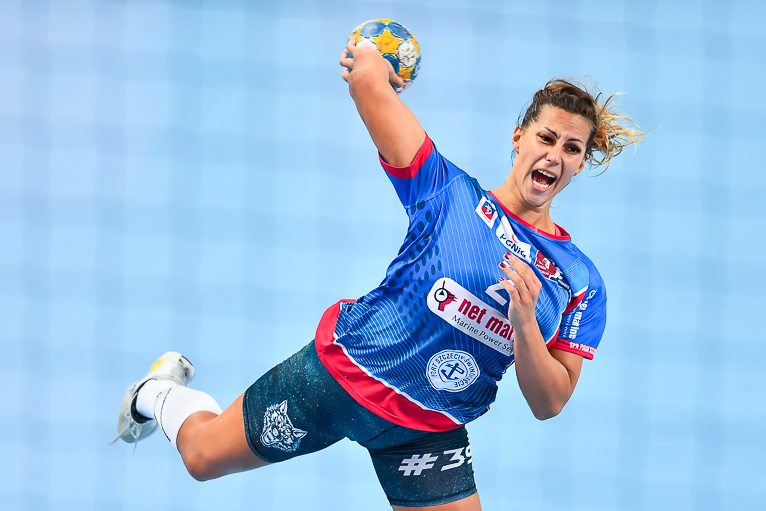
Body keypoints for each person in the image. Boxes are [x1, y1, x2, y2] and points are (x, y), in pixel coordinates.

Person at [111, 36, 644, 510]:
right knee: (202, 457)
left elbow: (549, 403)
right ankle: (156, 392)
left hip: (427, 432)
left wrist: (526, 323)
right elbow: (366, 81)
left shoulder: (579, 280)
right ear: (518, 137)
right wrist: (375, 58)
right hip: (340, 378)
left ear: (581, 163)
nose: (554, 155)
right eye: (546, 138)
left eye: (571, 148)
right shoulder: (446, 191)